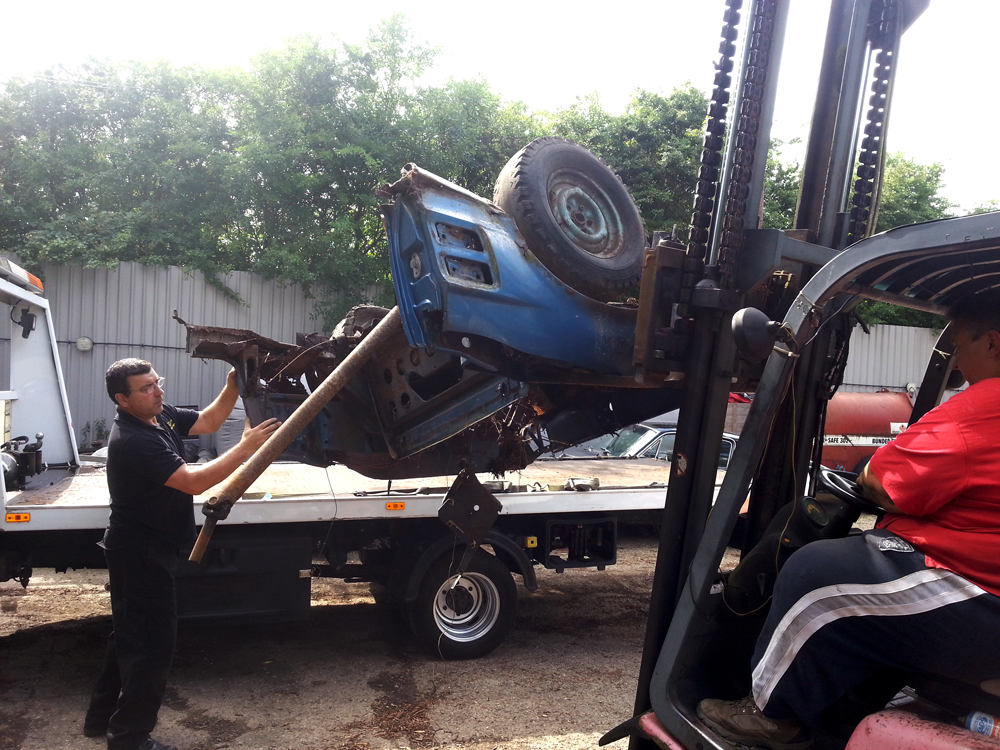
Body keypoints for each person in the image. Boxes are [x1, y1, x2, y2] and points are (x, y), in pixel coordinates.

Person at [697, 288, 1000, 750]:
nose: (957, 362)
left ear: (993, 342)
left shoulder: (987, 403)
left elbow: (884, 483)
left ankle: (772, 715)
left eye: (959, 346)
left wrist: (870, 476)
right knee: (871, 581)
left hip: (983, 594)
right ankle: (840, 713)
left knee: (819, 573)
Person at [84, 359, 280, 750]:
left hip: (148, 548)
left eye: (157, 382)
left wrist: (232, 386)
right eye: (146, 388)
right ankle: (129, 738)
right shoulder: (133, 440)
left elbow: (207, 421)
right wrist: (246, 447)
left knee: (130, 634)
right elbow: (193, 482)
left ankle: (100, 718)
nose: (158, 391)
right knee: (151, 645)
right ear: (123, 399)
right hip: (140, 553)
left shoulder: (160, 415)